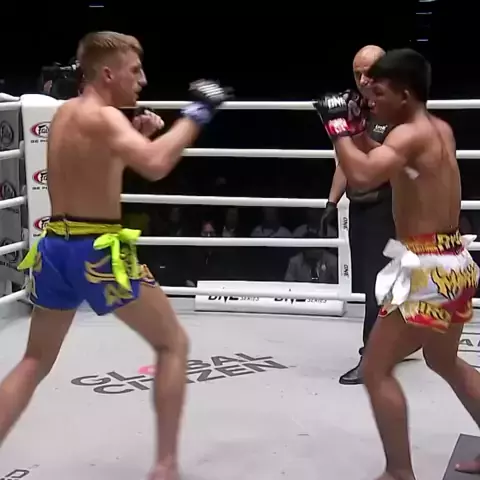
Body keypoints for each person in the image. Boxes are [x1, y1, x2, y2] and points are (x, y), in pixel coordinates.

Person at [0, 31, 233, 480]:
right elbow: (156, 164)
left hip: (54, 249)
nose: (142, 80)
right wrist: (198, 113)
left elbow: (93, 169)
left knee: (33, 361)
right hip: (98, 252)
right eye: (135, 70)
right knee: (172, 344)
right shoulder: (105, 118)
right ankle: (165, 467)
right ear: (107, 74)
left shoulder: (66, 113)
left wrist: (135, 134)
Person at [314, 48, 480, 480]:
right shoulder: (435, 128)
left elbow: (364, 176)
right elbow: (386, 161)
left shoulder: (407, 135)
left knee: (375, 369)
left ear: (404, 94)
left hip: (428, 271)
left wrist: (337, 130)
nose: (370, 102)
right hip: (453, 261)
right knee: (445, 362)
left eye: (379, 94)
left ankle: (399, 472)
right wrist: (356, 132)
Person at [319, 45, 399, 385]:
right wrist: (331, 202)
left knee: (375, 284)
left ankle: (372, 358)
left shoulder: (396, 109)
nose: (363, 80)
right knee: (372, 284)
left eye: (370, 72)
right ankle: (392, 345)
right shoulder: (357, 106)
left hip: (388, 206)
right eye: (357, 73)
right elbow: (347, 161)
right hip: (360, 206)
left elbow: (391, 160)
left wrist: (351, 130)